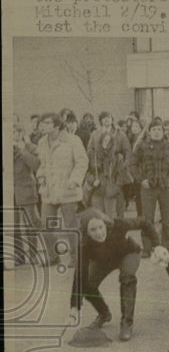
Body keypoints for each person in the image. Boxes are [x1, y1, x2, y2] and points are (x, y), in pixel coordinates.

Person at [69, 206, 169, 341]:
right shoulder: (84, 245)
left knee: (127, 277)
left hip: (127, 253)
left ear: (105, 223)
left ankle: (126, 323)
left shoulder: (118, 225)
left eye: (100, 227)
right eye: (93, 230)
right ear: (86, 232)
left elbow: (145, 222)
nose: (99, 233)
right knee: (87, 285)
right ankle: (104, 313)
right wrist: (74, 305)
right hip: (103, 261)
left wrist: (157, 245)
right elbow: (79, 275)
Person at [35, 111, 89, 265]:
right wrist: (41, 177)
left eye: (47, 123)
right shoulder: (42, 142)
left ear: (57, 125)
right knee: (45, 225)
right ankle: (52, 256)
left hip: (68, 191)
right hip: (49, 191)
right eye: (41, 123)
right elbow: (42, 164)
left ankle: (76, 258)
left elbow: (82, 162)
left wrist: (75, 180)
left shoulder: (73, 140)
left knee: (71, 227)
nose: (42, 126)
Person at [130, 118, 169, 258]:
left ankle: (168, 247)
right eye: (154, 130)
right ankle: (147, 248)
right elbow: (132, 164)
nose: (157, 132)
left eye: (159, 129)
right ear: (149, 132)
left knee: (167, 219)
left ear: (163, 131)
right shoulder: (142, 146)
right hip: (148, 188)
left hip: (165, 188)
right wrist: (141, 180)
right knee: (147, 219)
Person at [87, 112, 132, 219]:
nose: (107, 120)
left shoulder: (120, 134)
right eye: (104, 118)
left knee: (115, 206)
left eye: (109, 118)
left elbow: (128, 151)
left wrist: (123, 166)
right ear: (101, 121)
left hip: (115, 169)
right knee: (98, 207)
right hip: (99, 169)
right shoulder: (95, 134)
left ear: (112, 119)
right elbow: (90, 150)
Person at [9, 122, 42, 267]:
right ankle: (19, 255)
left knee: (30, 224)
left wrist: (22, 151)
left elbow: (36, 165)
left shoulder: (31, 148)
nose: (14, 134)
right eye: (12, 132)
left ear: (22, 133)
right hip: (10, 191)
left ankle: (34, 254)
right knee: (13, 225)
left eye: (17, 131)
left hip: (26, 189)